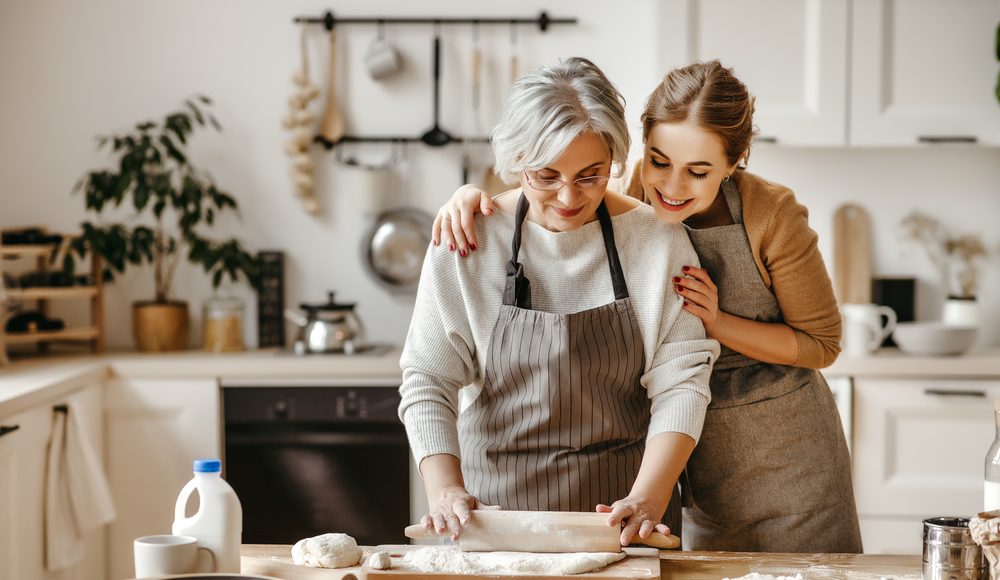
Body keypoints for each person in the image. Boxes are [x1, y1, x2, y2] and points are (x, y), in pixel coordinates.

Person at [430, 60, 862, 553]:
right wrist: (474, 199)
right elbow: (558, 187)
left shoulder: (770, 215)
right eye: (659, 161)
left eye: (698, 172)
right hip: (689, 455)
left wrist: (716, 322)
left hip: (783, 452)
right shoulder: (632, 198)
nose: (672, 187)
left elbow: (820, 344)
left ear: (736, 160)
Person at [399, 57, 719, 548]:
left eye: (591, 175)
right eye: (545, 176)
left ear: (614, 158)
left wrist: (649, 499)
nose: (569, 197)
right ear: (515, 161)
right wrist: (444, 491)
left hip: (624, 523)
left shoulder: (658, 242)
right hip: (493, 523)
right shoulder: (468, 240)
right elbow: (428, 378)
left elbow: (683, 382)